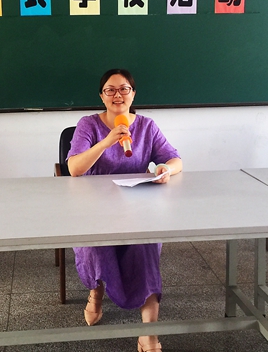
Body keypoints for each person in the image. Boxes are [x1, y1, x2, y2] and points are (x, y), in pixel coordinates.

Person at [66, 68, 183, 352]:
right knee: (96, 247)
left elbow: (175, 159)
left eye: (124, 89)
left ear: (133, 94)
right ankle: (96, 292)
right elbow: (74, 169)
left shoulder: (147, 126)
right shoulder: (88, 125)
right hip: (94, 207)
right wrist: (107, 141)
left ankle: (149, 333)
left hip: (137, 206)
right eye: (110, 90)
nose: (117, 95)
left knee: (146, 248)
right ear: (102, 96)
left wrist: (166, 168)